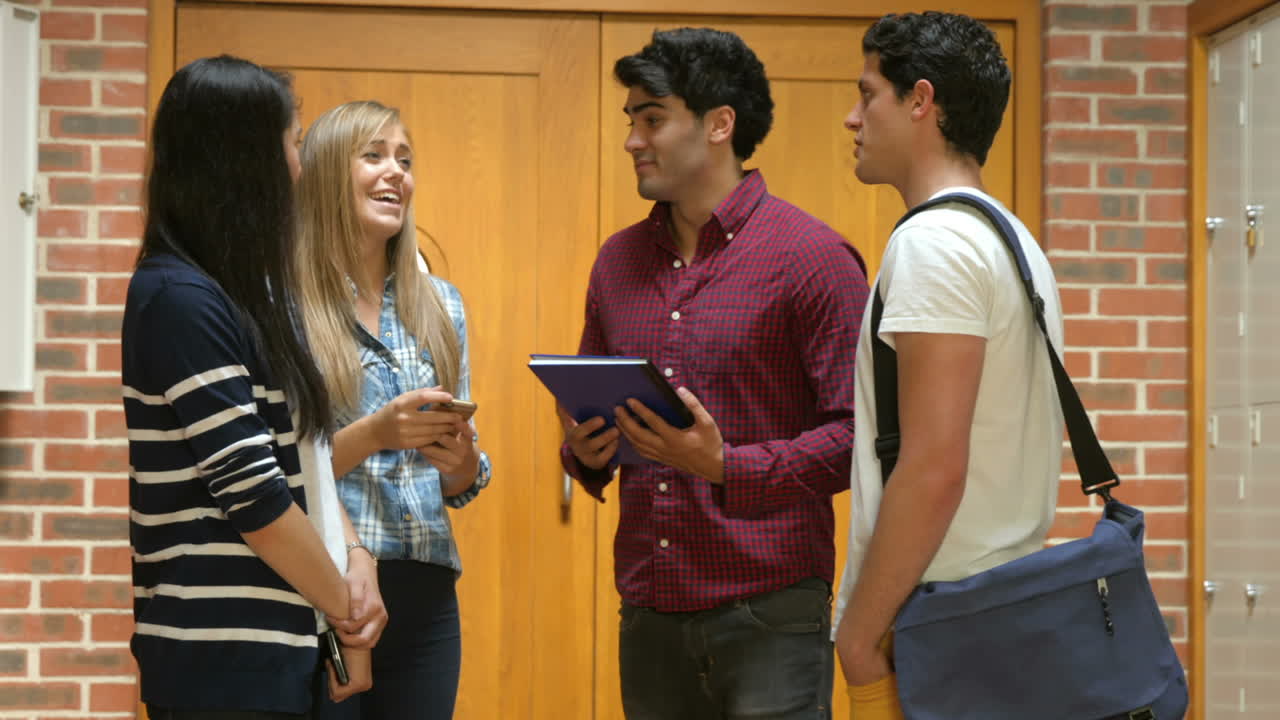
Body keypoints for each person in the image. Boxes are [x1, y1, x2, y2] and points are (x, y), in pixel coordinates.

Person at [559, 27, 869, 720]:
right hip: (648, 614)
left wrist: (726, 465)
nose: (633, 140)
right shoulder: (617, 261)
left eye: (652, 119)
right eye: (631, 120)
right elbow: (587, 408)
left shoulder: (813, 258)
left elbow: (859, 438)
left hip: (771, 615)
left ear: (720, 124)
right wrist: (586, 449)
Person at [123, 55, 383, 718]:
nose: (299, 168)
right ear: (246, 163)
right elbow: (254, 497)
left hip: (284, 644)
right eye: (293, 145)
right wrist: (347, 611)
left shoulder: (248, 296)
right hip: (221, 659)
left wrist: (356, 558)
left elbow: (305, 460)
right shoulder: (178, 297)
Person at [832, 12, 1065, 719]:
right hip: (996, 612)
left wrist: (859, 637)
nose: (852, 118)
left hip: (941, 624)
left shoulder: (935, 244)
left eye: (867, 93)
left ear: (920, 100)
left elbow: (935, 467)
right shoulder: (1010, 238)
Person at [295, 100, 492, 720]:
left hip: (428, 592)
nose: (396, 173)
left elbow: (461, 483)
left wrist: (461, 460)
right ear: (328, 173)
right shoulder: (287, 304)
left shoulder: (441, 303)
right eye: (374, 155)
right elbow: (283, 468)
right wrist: (377, 433)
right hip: (328, 586)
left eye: (405, 161)